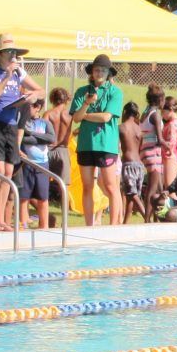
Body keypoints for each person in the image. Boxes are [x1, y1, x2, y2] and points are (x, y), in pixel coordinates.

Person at [0, 35, 42, 232]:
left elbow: (40, 90)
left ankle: (1, 218)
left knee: (8, 173)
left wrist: (32, 95)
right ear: (0, 54)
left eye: (15, 52)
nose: (14, 56)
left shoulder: (19, 71)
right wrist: (7, 78)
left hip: (10, 124)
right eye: (10, 52)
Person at [70, 54, 125, 226]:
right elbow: (76, 119)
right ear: (91, 72)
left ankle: (114, 224)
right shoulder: (82, 92)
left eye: (103, 70)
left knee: (110, 186)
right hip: (86, 145)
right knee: (87, 186)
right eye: (96, 70)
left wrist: (85, 115)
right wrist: (86, 103)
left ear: (109, 73)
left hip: (106, 144)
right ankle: (89, 224)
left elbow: (106, 117)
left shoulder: (115, 92)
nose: (99, 72)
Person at [16, 93, 58, 229]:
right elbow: (21, 138)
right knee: (24, 197)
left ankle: (44, 225)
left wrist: (32, 134)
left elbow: (51, 138)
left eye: (28, 107)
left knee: (43, 197)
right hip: (26, 164)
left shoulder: (45, 123)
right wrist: (36, 138)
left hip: (42, 165)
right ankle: (23, 224)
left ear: (38, 107)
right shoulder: (23, 122)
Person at [141, 84, 167, 219]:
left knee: (158, 187)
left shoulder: (145, 113)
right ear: (160, 100)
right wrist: (168, 145)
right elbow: (160, 139)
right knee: (152, 188)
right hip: (153, 152)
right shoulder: (155, 115)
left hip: (145, 150)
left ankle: (156, 217)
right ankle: (147, 219)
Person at [45, 86, 72, 207]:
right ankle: (64, 216)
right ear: (66, 99)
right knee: (64, 186)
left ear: (52, 99)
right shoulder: (70, 115)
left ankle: (43, 213)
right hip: (63, 150)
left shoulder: (48, 114)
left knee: (43, 182)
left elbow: (41, 131)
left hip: (48, 149)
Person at [120, 101, 147, 222]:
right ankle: (125, 223)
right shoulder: (139, 130)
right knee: (131, 196)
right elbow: (140, 147)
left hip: (128, 164)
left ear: (125, 112)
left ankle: (147, 218)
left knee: (133, 195)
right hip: (139, 165)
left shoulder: (122, 127)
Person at [160, 96, 177, 191]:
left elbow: (171, 143)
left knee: (170, 189)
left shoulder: (173, 124)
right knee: (166, 187)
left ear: (170, 109)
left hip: (170, 158)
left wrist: (159, 142)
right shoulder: (174, 122)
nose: (162, 114)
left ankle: (173, 205)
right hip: (168, 157)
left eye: (163, 111)